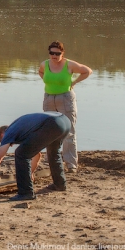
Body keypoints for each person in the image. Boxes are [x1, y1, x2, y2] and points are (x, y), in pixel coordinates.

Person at [0, 111, 71, 201]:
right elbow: (36, 154)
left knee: (20, 154)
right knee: (53, 152)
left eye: (9, 144)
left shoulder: (8, 134)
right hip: (64, 121)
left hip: (51, 123)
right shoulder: (20, 128)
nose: (11, 144)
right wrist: (29, 174)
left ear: (2, 135)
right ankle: (60, 184)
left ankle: (26, 193)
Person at [38, 41, 91, 173]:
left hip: (66, 99)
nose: (54, 56)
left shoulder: (69, 64)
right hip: (49, 99)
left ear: (62, 53)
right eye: (52, 53)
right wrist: (50, 82)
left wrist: (74, 82)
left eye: (57, 53)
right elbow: (40, 72)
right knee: (50, 131)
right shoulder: (45, 64)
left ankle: (71, 164)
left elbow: (87, 71)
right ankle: (52, 160)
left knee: (68, 131)